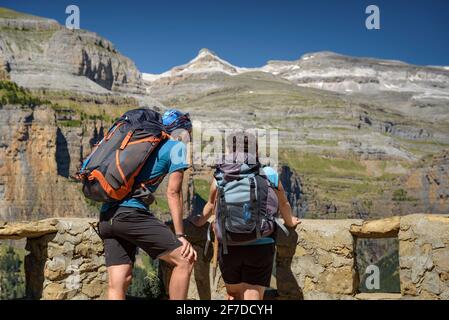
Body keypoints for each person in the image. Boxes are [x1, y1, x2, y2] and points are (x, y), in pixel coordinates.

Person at [98, 108, 197, 300]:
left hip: (107, 216)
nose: (188, 140)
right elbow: (173, 192)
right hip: (130, 215)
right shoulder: (177, 147)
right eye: (188, 134)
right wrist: (180, 235)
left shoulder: (141, 144)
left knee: (119, 282)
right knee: (184, 260)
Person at [190, 131, 301, 300]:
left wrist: (198, 222)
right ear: (255, 151)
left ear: (229, 151)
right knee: (252, 293)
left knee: (233, 294)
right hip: (261, 243)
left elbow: (211, 205)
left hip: (229, 244)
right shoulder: (269, 173)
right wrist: (290, 221)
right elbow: (283, 203)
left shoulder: (220, 176)